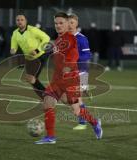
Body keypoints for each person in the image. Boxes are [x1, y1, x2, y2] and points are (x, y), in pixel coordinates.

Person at [35, 12, 102, 145]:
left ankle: (95, 122)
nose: (58, 25)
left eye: (61, 23)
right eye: (56, 23)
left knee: (76, 110)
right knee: (48, 101)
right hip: (57, 80)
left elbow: (74, 54)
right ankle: (50, 136)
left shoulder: (71, 38)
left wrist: (69, 65)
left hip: (71, 79)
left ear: (66, 23)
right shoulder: (59, 39)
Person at [10, 13, 50, 99]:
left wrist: (37, 50)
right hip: (29, 59)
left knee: (31, 78)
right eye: (18, 20)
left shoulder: (33, 30)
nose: (20, 22)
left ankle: (47, 95)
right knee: (31, 79)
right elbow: (14, 45)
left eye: (22, 20)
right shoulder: (15, 33)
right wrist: (13, 49)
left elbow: (46, 38)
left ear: (26, 21)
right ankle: (46, 96)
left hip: (40, 56)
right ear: (16, 22)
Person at [68, 13, 92, 130]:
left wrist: (75, 58)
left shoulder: (82, 38)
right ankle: (85, 122)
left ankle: (83, 123)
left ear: (76, 24)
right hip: (70, 72)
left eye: (72, 22)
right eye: (68, 23)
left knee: (77, 98)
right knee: (75, 98)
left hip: (81, 71)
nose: (70, 25)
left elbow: (87, 54)